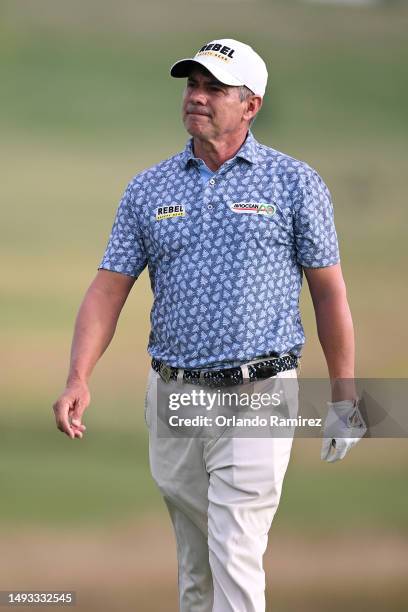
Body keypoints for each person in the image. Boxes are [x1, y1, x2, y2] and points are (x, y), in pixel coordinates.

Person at [53, 38, 366, 612]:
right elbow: (108, 288)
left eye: (213, 88)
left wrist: (345, 391)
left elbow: (329, 293)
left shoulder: (294, 184)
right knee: (197, 564)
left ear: (251, 104)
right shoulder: (149, 188)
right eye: (192, 86)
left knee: (235, 547)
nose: (196, 97)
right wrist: (78, 376)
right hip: (174, 392)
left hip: (259, 390)